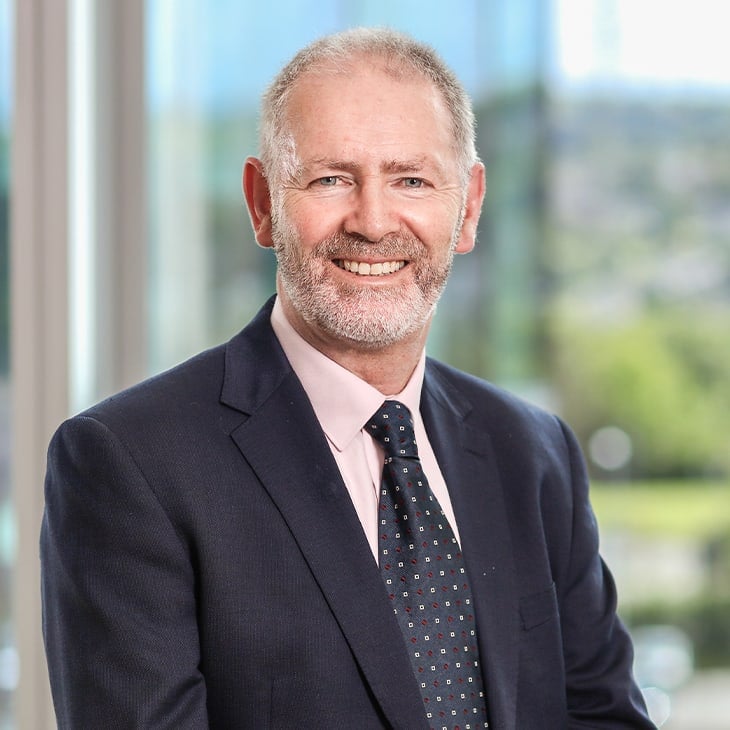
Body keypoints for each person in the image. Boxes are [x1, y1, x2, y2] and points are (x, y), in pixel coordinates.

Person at [41, 27, 655, 729]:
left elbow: (603, 715)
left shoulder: (535, 452)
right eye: (330, 178)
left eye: (411, 180)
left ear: (469, 207)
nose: (371, 221)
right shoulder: (130, 463)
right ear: (263, 203)